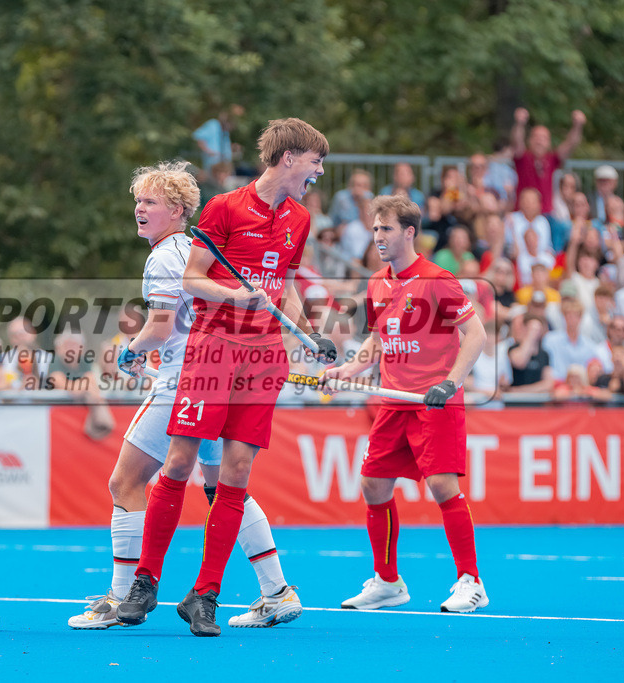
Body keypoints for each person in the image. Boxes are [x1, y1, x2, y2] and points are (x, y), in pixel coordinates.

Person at [116, 119, 334, 637]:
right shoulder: (224, 208)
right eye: (315, 162)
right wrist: (236, 296)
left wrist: (311, 335)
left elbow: (285, 286)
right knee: (180, 460)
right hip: (213, 351)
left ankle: (205, 594)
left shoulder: (299, 219)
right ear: (288, 158)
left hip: (264, 358)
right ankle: (145, 581)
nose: (319, 172)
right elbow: (193, 278)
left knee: (236, 472)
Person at [68, 160, 303, 631]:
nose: (138, 208)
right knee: (222, 488)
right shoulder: (200, 249)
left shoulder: (165, 257)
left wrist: (130, 353)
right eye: (138, 200)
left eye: (149, 202)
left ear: (176, 211)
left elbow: (158, 329)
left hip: (185, 378)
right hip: (223, 374)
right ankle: (276, 590)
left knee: (125, 482)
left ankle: (120, 598)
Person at [319, 194, 489, 614]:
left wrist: (450, 384)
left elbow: (478, 335)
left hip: (433, 400)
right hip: (393, 400)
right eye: (376, 228)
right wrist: (346, 371)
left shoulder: (438, 279)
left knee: (442, 486)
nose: (378, 236)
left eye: (386, 229)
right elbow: (377, 341)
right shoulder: (377, 283)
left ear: (409, 232)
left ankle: (472, 581)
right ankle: (388, 582)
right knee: (373, 485)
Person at [510, 107, 586, 214]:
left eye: (544, 138)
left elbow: (570, 145)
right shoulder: (523, 157)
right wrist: (519, 123)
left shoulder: (552, 159)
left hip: (546, 214)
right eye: (536, 137)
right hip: (522, 213)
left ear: (549, 143)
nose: (540, 141)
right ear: (530, 140)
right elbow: (517, 141)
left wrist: (577, 126)